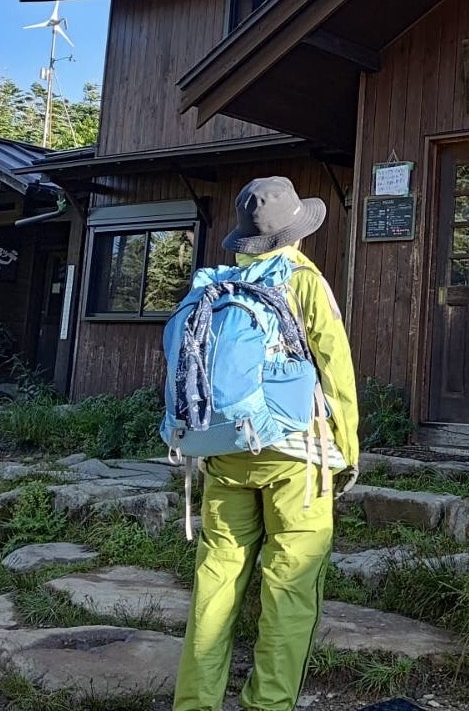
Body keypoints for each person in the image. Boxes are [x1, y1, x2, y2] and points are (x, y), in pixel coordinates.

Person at [173, 175, 360, 711]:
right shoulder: (303, 279)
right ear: (295, 233)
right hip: (296, 458)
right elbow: (335, 367)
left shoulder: (220, 286)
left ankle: (195, 703)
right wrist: (346, 451)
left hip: (225, 449)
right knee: (289, 588)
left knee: (215, 582)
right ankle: (268, 704)